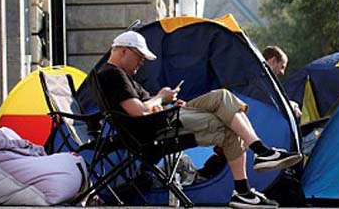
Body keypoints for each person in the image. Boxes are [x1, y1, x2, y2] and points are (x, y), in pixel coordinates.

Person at [99, 31, 303, 208]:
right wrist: (161, 97)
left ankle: (255, 166)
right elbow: (137, 112)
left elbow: (144, 108)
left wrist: (165, 102)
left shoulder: (120, 76)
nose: (142, 62)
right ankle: (253, 171)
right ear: (123, 50)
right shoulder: (113, 75)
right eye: (140, 56)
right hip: (159, 128)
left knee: (222, 98)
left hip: (165, 118)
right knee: (228, 120)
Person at [261, 46, 301, 119]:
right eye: (282, 67)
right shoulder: (261, 80)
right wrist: (291, 105)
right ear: (273, 61)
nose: (282, 73)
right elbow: (272, 104)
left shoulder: (263, 79)